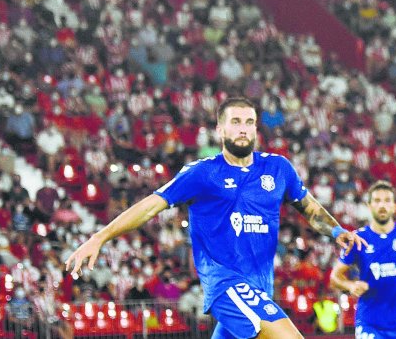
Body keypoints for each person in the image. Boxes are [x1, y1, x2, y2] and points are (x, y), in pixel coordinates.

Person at [65, 97, 367, 339]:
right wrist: (99, 237)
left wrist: (336, 230)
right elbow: (150, 205)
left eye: (249, 122)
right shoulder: (203, 172)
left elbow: (308, 206)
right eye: (235, 122)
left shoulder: (278, 168)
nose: (243, 128)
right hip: (226, 285)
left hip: (260, 288)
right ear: (220, 130)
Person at [329, 180, 396, 339]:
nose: (382, 205)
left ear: (394, 206)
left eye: (387, 200)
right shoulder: (358, 239)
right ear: (369, 205)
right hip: (369, 325)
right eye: (377, 200)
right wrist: (350, 285)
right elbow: (334, 278)